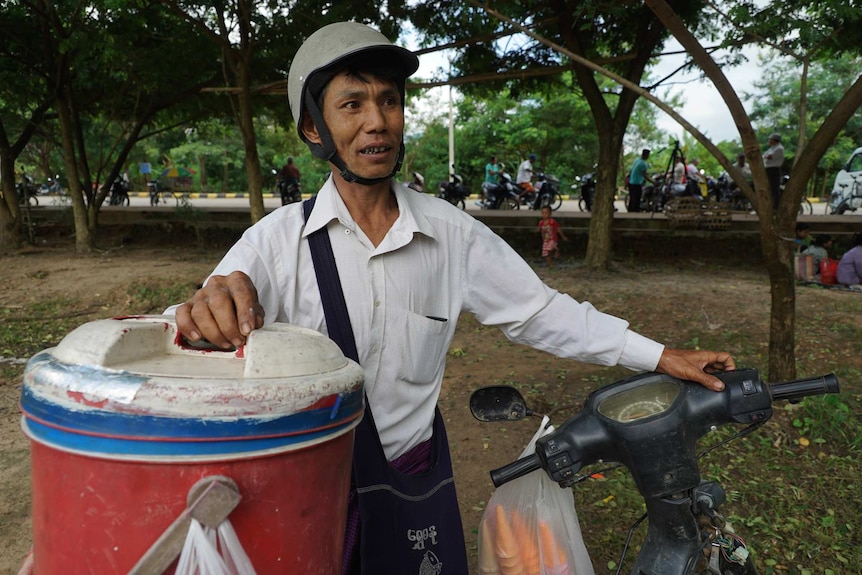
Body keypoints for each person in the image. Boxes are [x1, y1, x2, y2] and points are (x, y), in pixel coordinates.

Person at [170, 21, 735, 575]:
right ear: (313, 129)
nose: (377, 122)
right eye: (352, 105)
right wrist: (201, 315)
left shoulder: (451, 234)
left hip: (417, 479)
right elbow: (192, 333)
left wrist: (661, 356)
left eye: (389, 101)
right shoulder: (272, 246)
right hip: (313, 491)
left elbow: (539, 312)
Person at [763, 133, 785, 208]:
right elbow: (764, 156)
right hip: (768, 169)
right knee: (769, 187)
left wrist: (765, 157)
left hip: (774, 169)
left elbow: (769, 157)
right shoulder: (771, 148)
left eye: (770, 139)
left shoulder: (779, 148)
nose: (769, 141)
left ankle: (776, 205)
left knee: (774, 187)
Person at [627, 148, 653, 212]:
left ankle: (630, 211)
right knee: (636, 199)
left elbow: (631, 170)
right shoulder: (643, 164)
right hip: (637, 183)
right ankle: (635, 212)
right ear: (646, 155)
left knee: (632, 198)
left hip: (631, 182)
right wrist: (653, 182)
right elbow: (645, 175)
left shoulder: (636, 160)